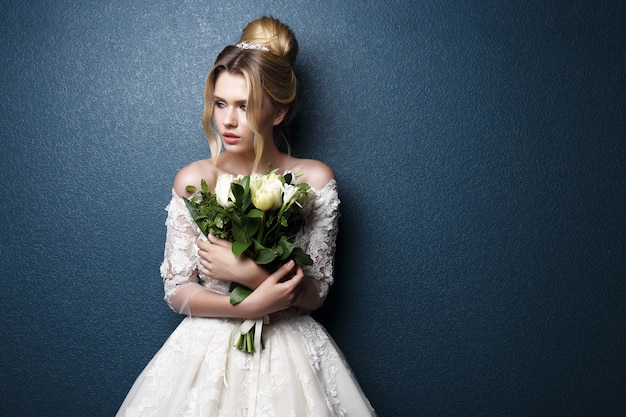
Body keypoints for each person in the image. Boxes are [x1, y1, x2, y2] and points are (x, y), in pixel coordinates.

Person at [117, 16, 376, 417]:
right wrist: (249, 308)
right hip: (203, 355)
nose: (228, 120)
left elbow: (315, 294)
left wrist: (247, 273)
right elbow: (177, 291)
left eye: (246, 105)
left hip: (288, 347)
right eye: (221, 103)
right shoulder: (194, 180)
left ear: (278, 112)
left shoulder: (314, 179)